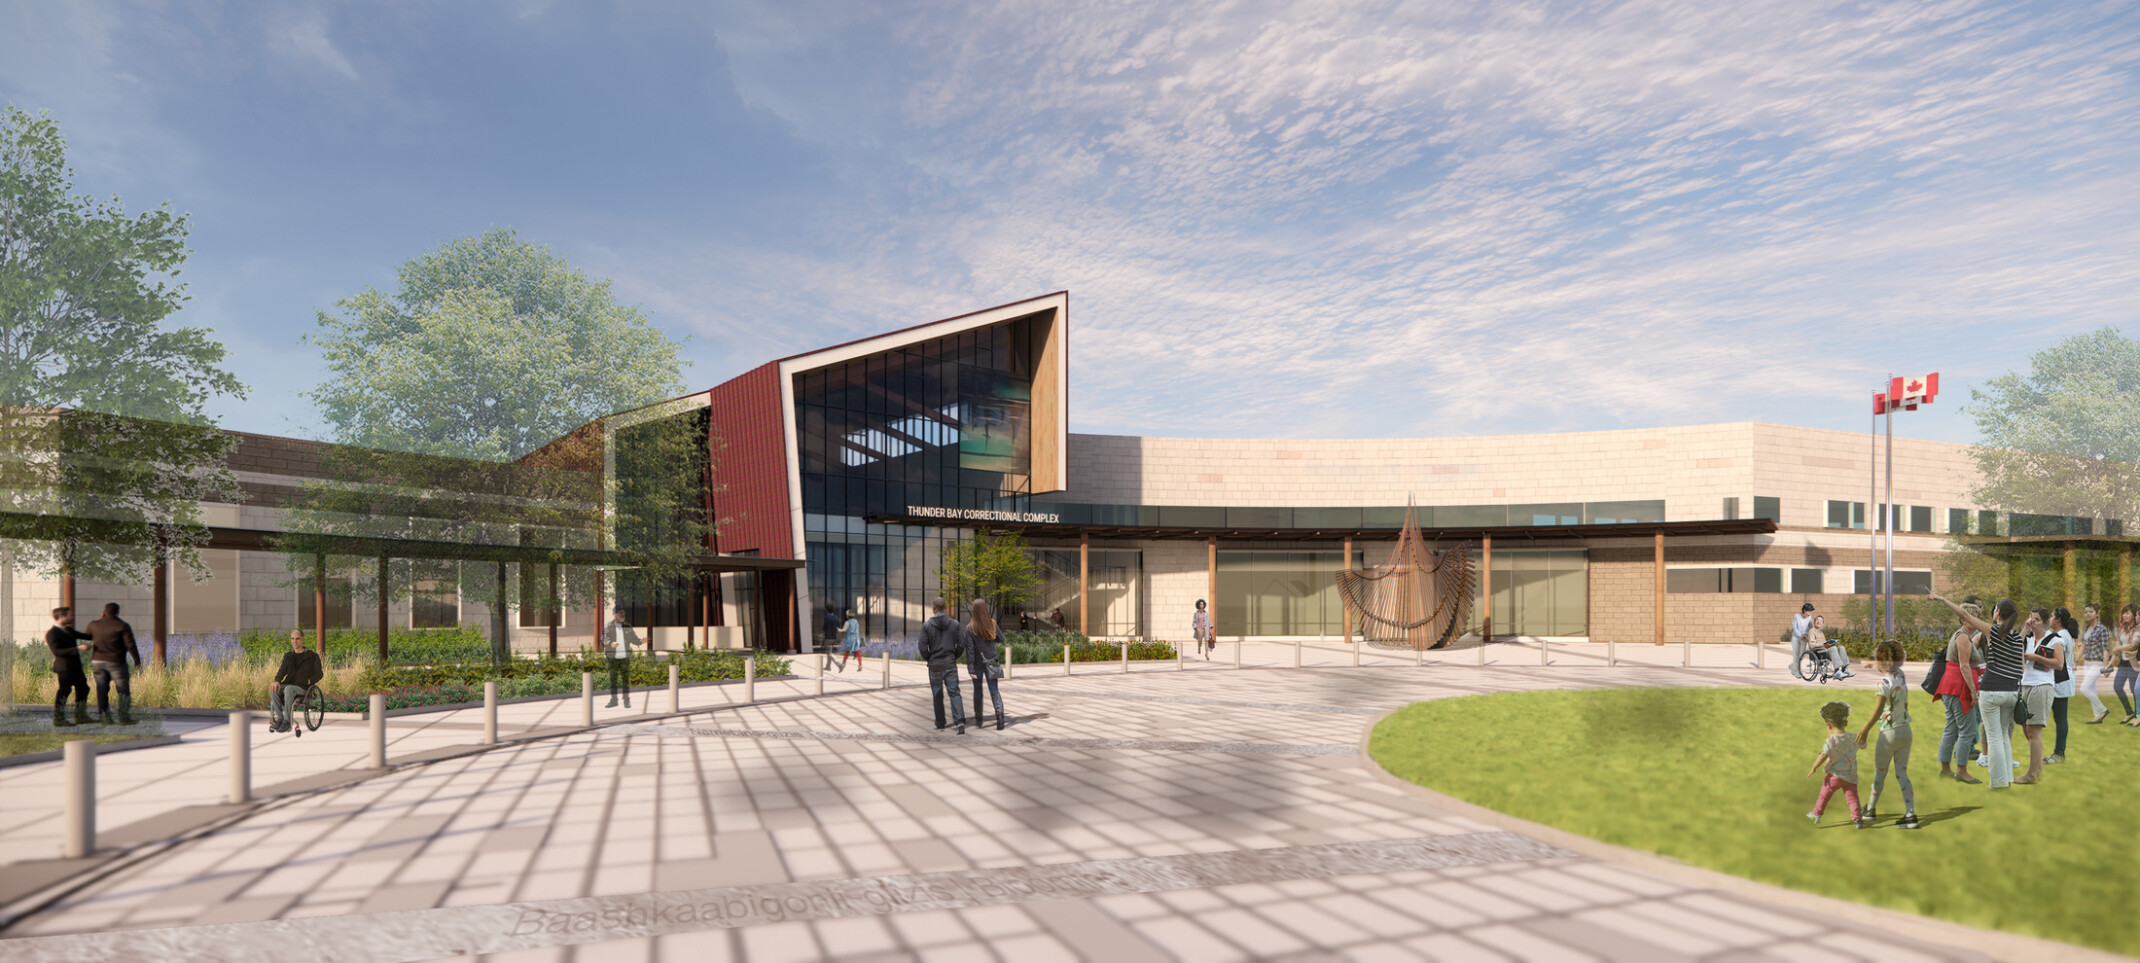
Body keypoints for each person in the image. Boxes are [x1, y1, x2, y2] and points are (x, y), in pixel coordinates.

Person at [1932, 593, 2025, 789]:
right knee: (2004, 737)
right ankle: (2007, 778)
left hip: (1991, 691)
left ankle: (1998, 783)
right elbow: (2020, 666)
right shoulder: (2018, 638)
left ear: (1997, 612)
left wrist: (1943, 600)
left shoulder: (1992, 631)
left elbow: (1964, 614)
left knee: (1994, 739)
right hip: (2011, 692)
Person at [1856, 641, 1919, 828]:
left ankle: (1871, 810)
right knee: (1902, 774)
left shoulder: (1883, 684)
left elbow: (1877, 711)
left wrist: (1864, 730)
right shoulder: (1901, 675)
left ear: (1881, 659)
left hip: (1888, 734)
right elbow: (1888, 669)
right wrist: (1871, 663)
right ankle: (1911, 816)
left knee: (1880, 774)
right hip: (1905, 732)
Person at [1935, 597, 1983, 784]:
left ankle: (1945, 769)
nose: (1977, 621)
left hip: (1950, 686)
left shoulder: (1962, 635)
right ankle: (1961, 771)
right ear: (1964, 619)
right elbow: (1964, 666)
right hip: (1959, 686)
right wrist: (1973, 691)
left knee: (1951, 728)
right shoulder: (1963, 637)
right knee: (1968, 730)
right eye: (1973, 617)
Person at [2015, 606, 2061, 783]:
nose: (2032, 622)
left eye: (2036, 620)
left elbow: (2059, 663)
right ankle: (2038, 769)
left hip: (2042, 686)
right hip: (2025, 685)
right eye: (2030, 618)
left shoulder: (2054, 639)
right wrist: (2026, 628)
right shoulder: (2028, 638)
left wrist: (2035, 657)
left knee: (2034, 730)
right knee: (2026, 729)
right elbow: (2014, 647)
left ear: (2045, 622)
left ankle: (2031, 774)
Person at [1806, 700, 1865, 828]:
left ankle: (1817, 815)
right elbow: (1863, 745)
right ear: (1846, 723)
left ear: (1828, 725)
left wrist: (1814, 767)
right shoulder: (1853, 737)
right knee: (1852, 798)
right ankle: (1858, 819)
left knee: (1824, 796)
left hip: (1834, 776)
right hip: (1850, 776)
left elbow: (1824, 755)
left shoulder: (1831, 740)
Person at [85, 602, 142, 725]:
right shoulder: (122, 626)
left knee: (101, 689)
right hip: (116, 661)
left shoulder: (94, 625)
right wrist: (137, 661)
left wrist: (101, 620)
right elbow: (130, 644)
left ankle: (103, 717)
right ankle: (123, 717)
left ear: (104, 612)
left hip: (98, 661)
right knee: (123, 690)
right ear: (117, 612)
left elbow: (88, 635)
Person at [918, 597, 967, 733]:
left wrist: (930, 658)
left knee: (937, 694)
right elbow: (962, 644)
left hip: (935, 665)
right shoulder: (955, 624)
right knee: (955, 693)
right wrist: (954, 656)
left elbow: (922, 647)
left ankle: (940, 723)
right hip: (950, 663)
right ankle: (960, 722)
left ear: (934, 608)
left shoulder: (926, 625)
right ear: (944, 608)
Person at [268, 629, 324, 733]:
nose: (294, 641)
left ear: (302, 640)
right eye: (292, 638)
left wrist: (310, 680)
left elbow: (320, 674)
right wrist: (276, 681)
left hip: (304, 687)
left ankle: (287, 721)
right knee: (273, 689)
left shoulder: (312, 656)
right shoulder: (288, 656)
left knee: (289, 689)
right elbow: (282, 671)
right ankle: (280, 719)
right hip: (289, 685)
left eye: (297, 639)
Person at [45, 607, 93, 728]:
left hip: (76, 667)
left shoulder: (68, 630)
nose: (71, 617)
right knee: (64, 692)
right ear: (61, 616)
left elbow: (86, 636)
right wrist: (78, 648)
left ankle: (81, 716)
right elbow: (57, 651)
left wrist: (99, 630)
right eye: (69, 615)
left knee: (83, 689)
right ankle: (59, 719)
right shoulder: (52, 633)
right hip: (64, 668)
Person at [965, 598, 1007, 731]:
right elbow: (1001, 639)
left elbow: (970, 650)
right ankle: (1000, 719)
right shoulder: (992, 623)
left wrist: (970, 668)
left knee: (978, 691)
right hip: (992, 661)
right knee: (994, 690)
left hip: (977, 664)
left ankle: (979, 720)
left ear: (974, 611)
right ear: (985, 609)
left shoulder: (970, 628)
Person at [2046, 607, 2079, 762]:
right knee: (2060, 718)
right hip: (2061, 679)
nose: (2050, 619)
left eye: (2052, 616)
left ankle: (2059, 753)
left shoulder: (2060, 636)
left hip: (2060, 680)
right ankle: (2059, 753)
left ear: (2058, 619)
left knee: (2060, 718)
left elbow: (2052, 657)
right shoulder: (2065, 635)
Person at [2080, 603, 2113, 725]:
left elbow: (2105, 649)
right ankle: (2097, 717)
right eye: (2086, 612)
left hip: (2097, 663)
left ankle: (2103, 710)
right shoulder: (2086, 628)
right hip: (2087, 662)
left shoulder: (2102, 629)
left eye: (2091, 611)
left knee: (2084, 688)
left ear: (2097, 614)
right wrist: (2077, 661)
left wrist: (2106, 667)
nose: (2087, 613)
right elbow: (2083, 645)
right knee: (2091, 689)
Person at [603, 607, 640, 708]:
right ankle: (614, 700)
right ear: (615, 614)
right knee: (613, 679)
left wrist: (641, 641)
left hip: (625, 657)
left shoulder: (627, 626)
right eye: (620, 613)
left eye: (623, 613)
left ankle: (626, 700)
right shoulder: (608, 626)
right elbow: (604, 639)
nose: (623, 615)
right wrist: (611, 643)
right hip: (613, 657)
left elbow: (634, 638)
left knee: (625, 679)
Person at [2115, 604, 2140, 726]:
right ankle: (2129, 711)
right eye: (2123, 613)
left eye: (2128, 613)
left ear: (2134, 615)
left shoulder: (2137, 629)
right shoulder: (2122, 629)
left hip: (2133, 663)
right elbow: (2118, 645)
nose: (2125, 615)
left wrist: (2134, 652)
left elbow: (2136, 646)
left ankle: (2137, 716)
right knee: (2117, 686)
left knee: (2134, 689)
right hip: (2123, 662)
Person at [1804, 615, 1850, 679]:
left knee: (1841, 648)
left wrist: (1830, 644)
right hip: (1819, 652)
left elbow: (1825, 644)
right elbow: (1811, 645)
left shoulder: (1821, 633)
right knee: (1833, 649)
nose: (1819, 622)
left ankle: (1844, 669)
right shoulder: (1811, 631)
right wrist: (1824, 645)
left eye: (1821, 621)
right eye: (1817, 620)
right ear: (1814, 622)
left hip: (1825, 651)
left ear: (1822, 624)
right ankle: (1837, 671)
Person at [1788, 603, 1816, 677]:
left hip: (1804, 638)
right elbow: (1795, 628)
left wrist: (1813, 634)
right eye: (1809, 611)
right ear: (1804, 610)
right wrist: (1800, 636)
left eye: (1811, 612)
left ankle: (1793, 665)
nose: (1810, 613)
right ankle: (1796, 672)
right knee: (1796, 655)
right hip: (1796, 638)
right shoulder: (1796, 616)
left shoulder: (1809, 617)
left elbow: (1810, 627)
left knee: (1802, 656)